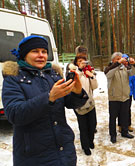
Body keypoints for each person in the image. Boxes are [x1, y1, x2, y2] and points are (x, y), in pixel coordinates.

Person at [2, 35, 88, 166]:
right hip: (34, 157)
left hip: (64, 152)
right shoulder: (13, 79)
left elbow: (70, 103)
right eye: (35, 51)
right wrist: (49, 97)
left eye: (44, 51)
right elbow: (14, 114)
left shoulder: (53, 75)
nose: (41, 55)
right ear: (24, 55)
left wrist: (77, 92)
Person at [104, 52, 135, 143]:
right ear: (113, 60)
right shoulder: (109, 68)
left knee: (124, 116)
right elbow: (108, 74)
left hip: (125, 97)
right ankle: (113, 135)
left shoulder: (125, 69)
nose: (120, 60)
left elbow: (134, 72)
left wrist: (133, 64)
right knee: (113, 118)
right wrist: (118, 64)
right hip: (114, 98)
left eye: (120, 58)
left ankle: (125, 131)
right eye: (117, 59)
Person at [68, 56, 98, 156]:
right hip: (79, 103)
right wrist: (80, 70)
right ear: (76, 63)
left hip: (90, 102)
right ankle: (85, 146)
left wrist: (92, 77)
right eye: (79, 61)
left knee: (92, 125)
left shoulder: (87, 72)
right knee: (83, 127)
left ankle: (90, 141)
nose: (82, 63)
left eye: (83, 61)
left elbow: (95, 86)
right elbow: (73, 82)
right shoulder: (73, 72)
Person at [118, 54, 135, 133]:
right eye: (124, 60)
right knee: (120, 111)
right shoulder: (118, 70)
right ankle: (120, 125)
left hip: (129, 93)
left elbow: (134, 84)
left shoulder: (130, 70)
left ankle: (128, 125)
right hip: (121, 93)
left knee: (127, 110)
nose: (126, 62)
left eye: (127, 60)